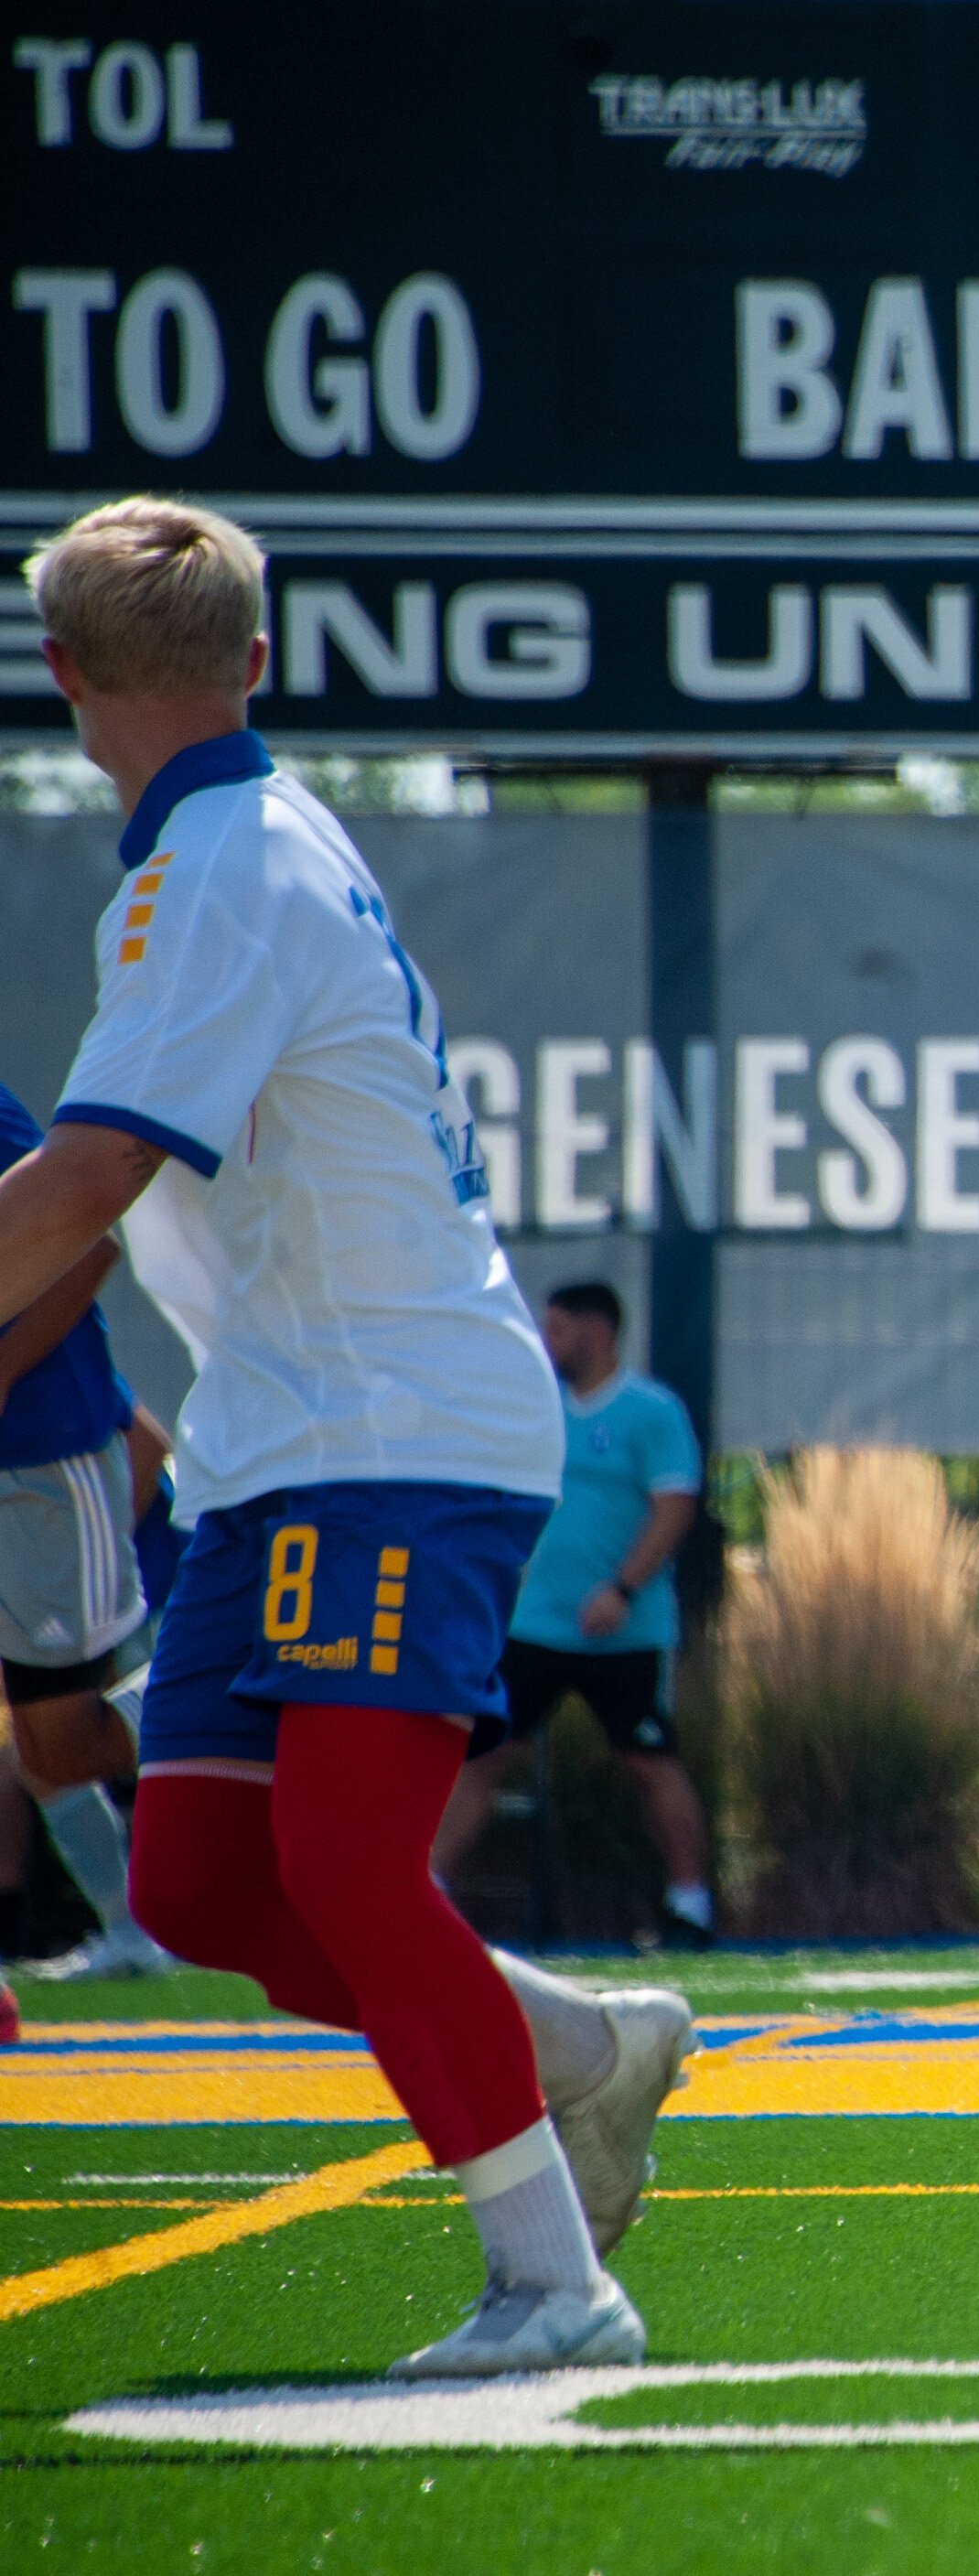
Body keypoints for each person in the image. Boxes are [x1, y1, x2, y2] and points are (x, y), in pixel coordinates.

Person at [0, 497, 690, 2372]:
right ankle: (575, 2043)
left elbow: (87, 1174)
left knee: (348, 1866)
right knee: (200, 1882)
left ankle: (557, 2287)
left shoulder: (223, 862)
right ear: (262, 653)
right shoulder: (219, 851)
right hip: (290, 1432)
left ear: (59, 679)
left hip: (390, 1424)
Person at [431, 1281, 714, 1947]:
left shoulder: (652, 1411)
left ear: (595, 1333)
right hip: (534, 1626)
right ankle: (427, 1892)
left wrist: (622, 1588)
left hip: (624, 1631)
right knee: (483, 1755)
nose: (545, 1341)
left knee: (650, 1762)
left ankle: (690, 1905)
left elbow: (675, 1507)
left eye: (556, 1329)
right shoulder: (539, 1410)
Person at [0, 1073, 167, 1986]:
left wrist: (2, 1369)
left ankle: (252, 1694)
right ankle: (128, 1930)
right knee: (42, 1747)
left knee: (59, 1739)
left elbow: (90, 1247)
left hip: (39, 1460)